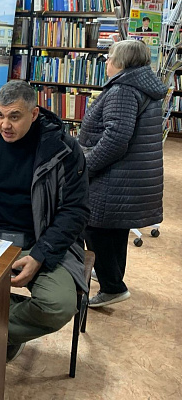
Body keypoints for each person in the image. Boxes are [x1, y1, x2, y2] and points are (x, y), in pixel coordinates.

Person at [0, 80, 89, 361]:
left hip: (43, 243)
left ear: (34, 113)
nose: (5, 125)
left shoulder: (63, 150)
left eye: (14, 116)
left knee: (58, 305)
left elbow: (75, 210)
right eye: (0, 115)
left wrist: (40, 256)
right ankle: (0, 332)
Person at [78, 40, 166, 307]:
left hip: (115, 175)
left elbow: (115, 139)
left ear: (122, 62)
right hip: (130, 174)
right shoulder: (141, 85)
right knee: (115, 228)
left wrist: (85, 166)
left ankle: (113, 286)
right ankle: (111, 274)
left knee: (94, 227)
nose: (107, 62)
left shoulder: (123, 90)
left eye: (110, 57)